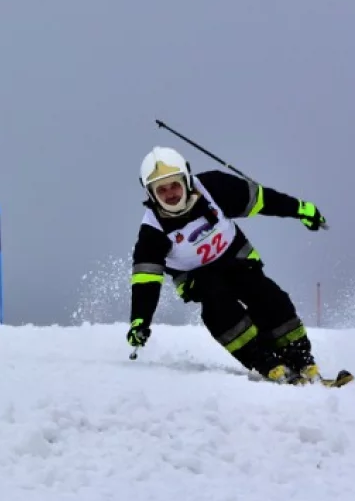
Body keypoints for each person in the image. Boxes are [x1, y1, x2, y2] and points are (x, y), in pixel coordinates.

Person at [126, 145, 329, 384]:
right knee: (217, 304)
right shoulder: (152, 231)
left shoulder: (215, 188)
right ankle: (263, 359)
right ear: (151, 193)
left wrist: (301, 210)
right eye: (162, 190)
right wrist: (140, 320)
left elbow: (264, 200)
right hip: (198, 278)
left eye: (174, 185)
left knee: (268, 296)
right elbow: (146, 280)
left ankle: (299, 357)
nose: (170, 194)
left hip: (237, 261)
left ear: (187, 179)